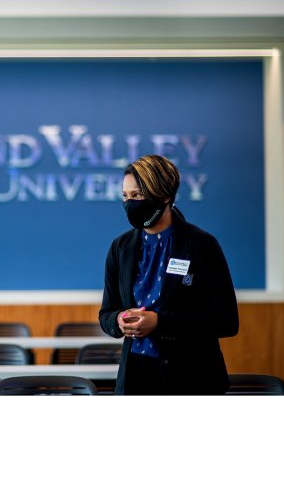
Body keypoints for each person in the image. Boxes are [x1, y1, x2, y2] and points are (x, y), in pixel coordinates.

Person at [99, 155, 239, 395]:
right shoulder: (120, 248)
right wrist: (119, 320)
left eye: (138, 195)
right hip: (136, 375)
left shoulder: (201, 245)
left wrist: (160, 322)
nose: (129, 203)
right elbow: (106, 314)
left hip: (192, 376)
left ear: (164, 196)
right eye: (125, 196)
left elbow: (225, 321)